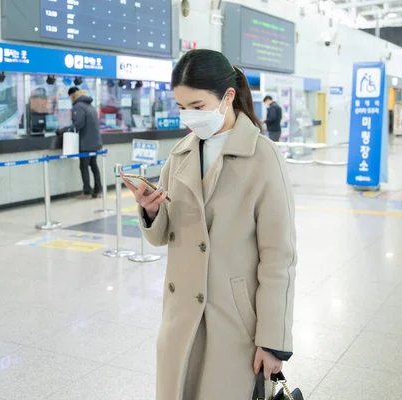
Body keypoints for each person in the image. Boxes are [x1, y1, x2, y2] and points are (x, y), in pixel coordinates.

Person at [121, 49, 297, 400]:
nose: (189, 118)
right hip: (181, 316)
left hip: (233, 320)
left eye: (197, 107)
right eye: (182, 107)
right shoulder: (181, 154)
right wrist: (152, 212)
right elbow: (162, 237)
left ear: (228, 96)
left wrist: (273, 342)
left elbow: (279, 259)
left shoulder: (264, 158)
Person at [58, 87, 103, 199]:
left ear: (72, 96)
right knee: (93, 166)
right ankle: (98, 190)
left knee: (84, 166)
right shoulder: (90, 106)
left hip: (86, 142)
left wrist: (63, 130)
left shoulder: (78, 106)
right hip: (95, 142)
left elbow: (78, 125)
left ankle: (87, 191)